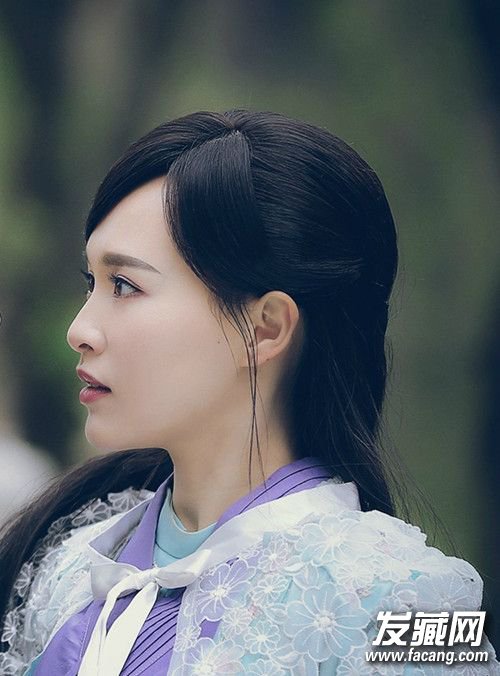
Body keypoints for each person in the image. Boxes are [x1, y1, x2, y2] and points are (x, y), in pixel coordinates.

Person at [0, 109, 497, 675]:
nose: (80, 330)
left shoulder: (408, 600)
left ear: (264, 328)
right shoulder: (70, 571)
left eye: (125, 285)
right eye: (92, 283)